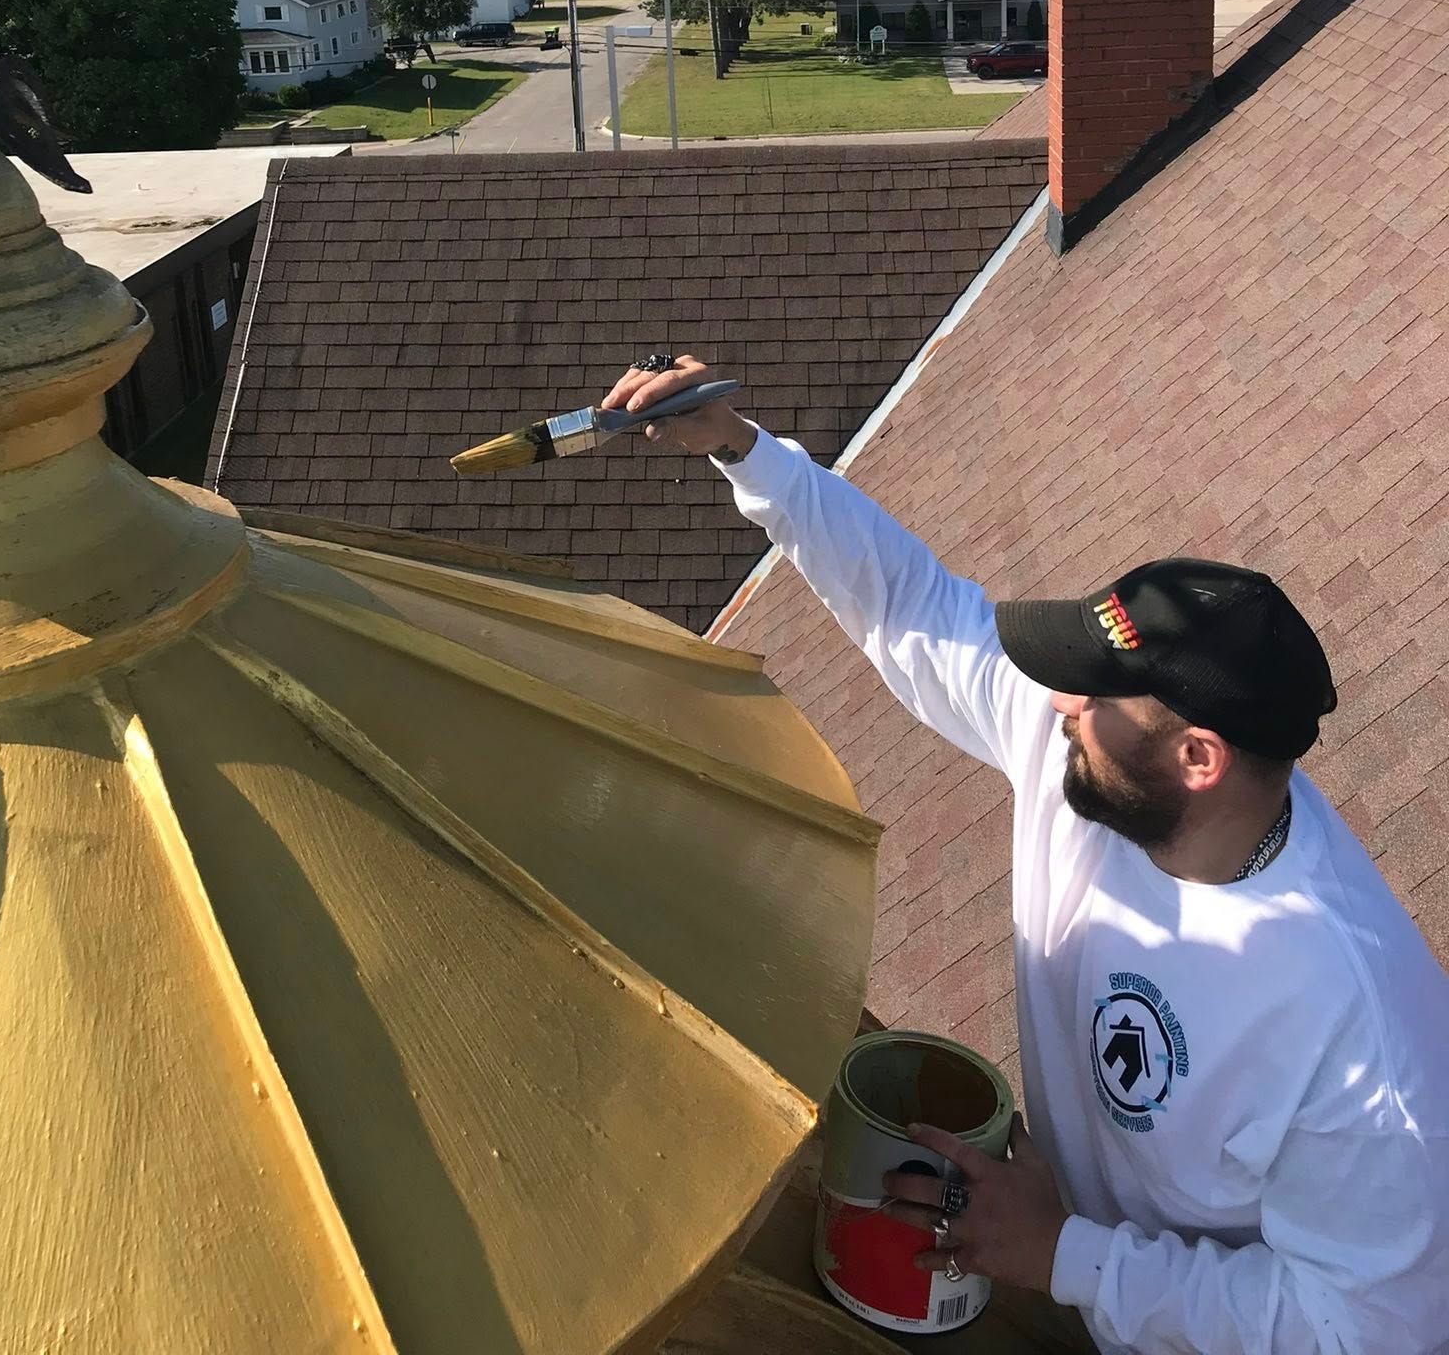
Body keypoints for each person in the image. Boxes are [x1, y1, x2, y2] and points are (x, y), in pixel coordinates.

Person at [604, 357, 1449, 1355]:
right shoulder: (1085, 756)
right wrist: (744, 450)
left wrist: (1074, 1256)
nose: (1056, 704)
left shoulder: (1358, 1043)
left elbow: (1367, 1329)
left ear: (1198, 757)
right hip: (1074, 1253)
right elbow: (919, 608)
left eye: (1093, 695)